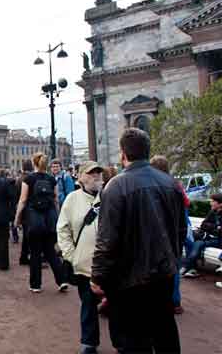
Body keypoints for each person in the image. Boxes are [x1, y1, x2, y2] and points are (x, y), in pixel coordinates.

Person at [91, 128, 185, 353]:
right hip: (163, 273)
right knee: (165, 331)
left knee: (134, 338)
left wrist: (98, 276)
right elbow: (180, 229)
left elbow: (107, 239)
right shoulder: (169, 183)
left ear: (123, 154)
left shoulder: (116, 186)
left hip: (129, 279)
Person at [57, 161, 104, 354]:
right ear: (81, 177)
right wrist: (71, 255)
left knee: (117, 305)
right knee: (88, 304)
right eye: (92, 173)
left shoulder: (110, 196)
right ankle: (89, 342)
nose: (96, 176)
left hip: (109, 264)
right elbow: (62, 229)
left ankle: (122, 342)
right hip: (84, 263)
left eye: (98, 173)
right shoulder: (72, 199)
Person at [15, 152, 67, 293]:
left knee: (35, 253)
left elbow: (23, 200)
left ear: (34, 163)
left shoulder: (29, 179)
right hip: (49, 219)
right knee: (51, 251)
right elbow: (55, 200)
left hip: (34, 220)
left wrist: (17, 217)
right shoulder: (52, 179)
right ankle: (62, 280)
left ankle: (36, 284)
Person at [150, 155, 191, 314]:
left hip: (161, 234)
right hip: (175, 234)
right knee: (173, 268)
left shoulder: (153, 185)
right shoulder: (175, 184)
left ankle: (161, 301)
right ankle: (175, 302)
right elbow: (186, 204)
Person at [181, 193, 222, 278]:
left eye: (213, 201)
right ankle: (189, 268)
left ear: (220, 204)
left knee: (194, 241)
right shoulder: (213, 212)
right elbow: (203, 225)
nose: (211, 203)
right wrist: (215, 227)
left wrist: (211, 227)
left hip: (219, 241)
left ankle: (187, 268)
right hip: (210, 238)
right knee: (197, 243)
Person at [18, 159, 34, 265]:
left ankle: (23, 256)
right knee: (30, 235)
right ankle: (27, 256)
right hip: (29, 209)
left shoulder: (19, 179)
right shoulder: (29, 179)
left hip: (22, 209)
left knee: (25, 234)